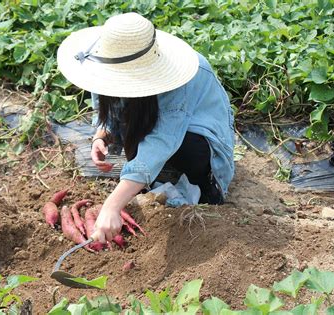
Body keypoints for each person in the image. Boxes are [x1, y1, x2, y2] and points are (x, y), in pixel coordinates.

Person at [57, 12, 234, 244]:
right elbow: (106, 108)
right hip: (158, 128)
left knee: (190, 149)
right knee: (139, 153)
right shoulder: (105, 61)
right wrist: (101, 135)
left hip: (195, 132)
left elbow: (160, 142)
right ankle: (146, 178)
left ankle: (204, 185)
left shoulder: (183, 78)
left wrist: (112, 205)